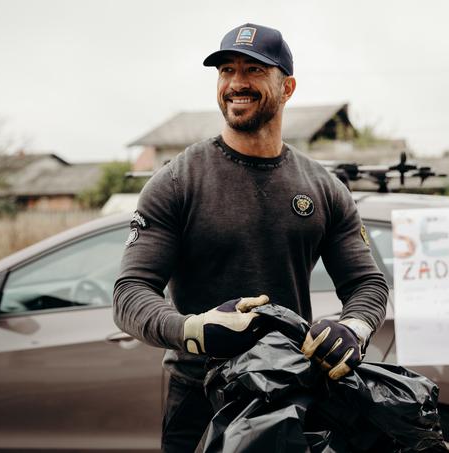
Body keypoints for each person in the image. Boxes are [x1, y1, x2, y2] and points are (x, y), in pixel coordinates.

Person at [113, 23, 388, 452]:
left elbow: (367, 283)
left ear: (288, 86)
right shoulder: (176, 182)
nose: (236, 83)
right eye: (226, 70)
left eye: (254, 70)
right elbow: (130, 293)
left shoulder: (323, 187)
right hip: (200, 398)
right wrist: (195, 329)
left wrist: (354, 327)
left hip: (293, 394)